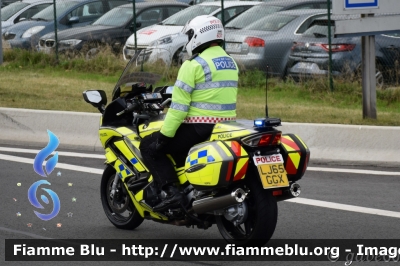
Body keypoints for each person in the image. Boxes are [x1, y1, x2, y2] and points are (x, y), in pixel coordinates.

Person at [139, 15, 239, 211]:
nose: (187, 41)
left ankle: (171, 194)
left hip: (198, 129)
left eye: (190, 35)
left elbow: (179, 108)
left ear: (199, 35)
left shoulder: (193, 65)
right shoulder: (231, 63)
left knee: (150, 146)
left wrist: (164, 137)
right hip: (225, 128)